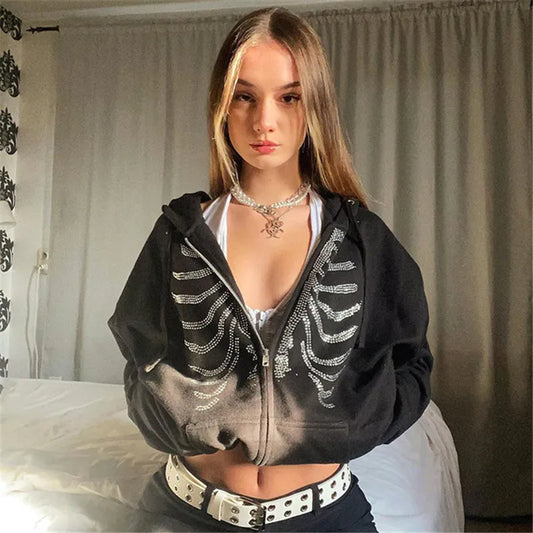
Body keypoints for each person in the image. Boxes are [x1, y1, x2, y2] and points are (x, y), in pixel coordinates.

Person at [108, 6, 433, 532]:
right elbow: (137, 349)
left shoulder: (360, 237)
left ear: (315, 105)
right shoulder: (182, 233)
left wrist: (359, 423)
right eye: (245, 96)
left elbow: (409, 357)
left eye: (289, 97)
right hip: (185, 512)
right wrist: (172, 418)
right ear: (222, 105)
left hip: (325, 517)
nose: (264, 120)